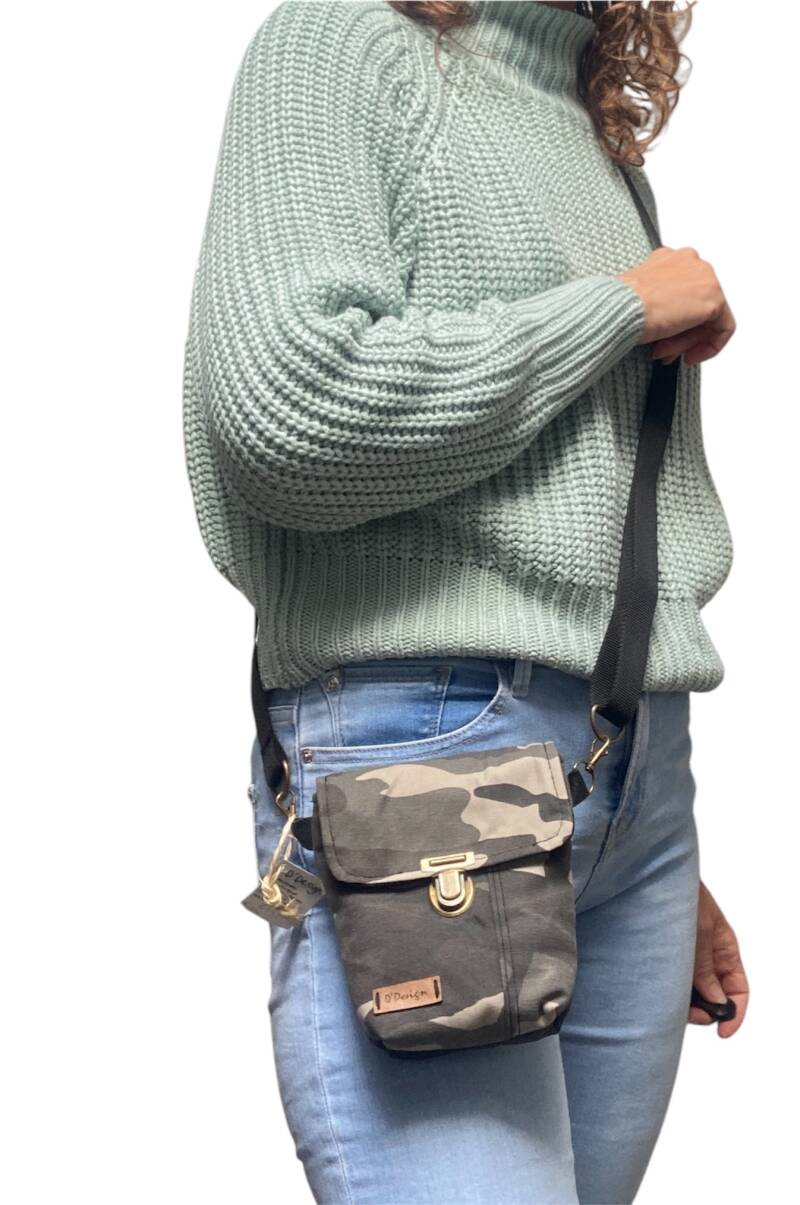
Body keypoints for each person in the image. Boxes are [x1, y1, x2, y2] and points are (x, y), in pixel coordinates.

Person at [182, 1, 749, 1200]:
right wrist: (616, 308)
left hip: (617, 782)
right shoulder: (338, 42)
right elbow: (288, 415)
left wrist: (613, 832)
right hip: (424, 770)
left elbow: (584, 505)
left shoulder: (582, 113)